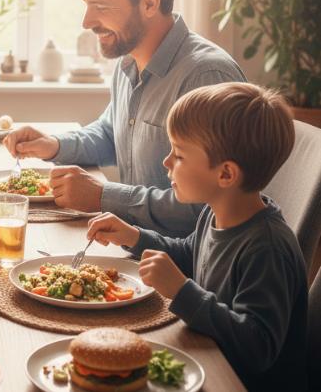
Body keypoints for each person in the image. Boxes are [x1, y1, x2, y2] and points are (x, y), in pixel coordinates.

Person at [4, 0, 246, 236]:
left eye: (101, 6)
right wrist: (54, 144)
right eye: (87, 4)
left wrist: (103, 196)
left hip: (181, 268)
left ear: (149, 3)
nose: (87, 21)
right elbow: (111, 134)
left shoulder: (206, 77)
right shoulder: (128, 61)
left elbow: (208, 209)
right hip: (134, 245)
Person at [86, 83, 307, 391]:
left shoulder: (266, 248)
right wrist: (135, 237)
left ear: (226, 174)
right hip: (208, 357)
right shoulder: (215, 212)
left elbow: (258, 348)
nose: (166, 163)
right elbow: (191, 254)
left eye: (178, 155)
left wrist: (180, 291)